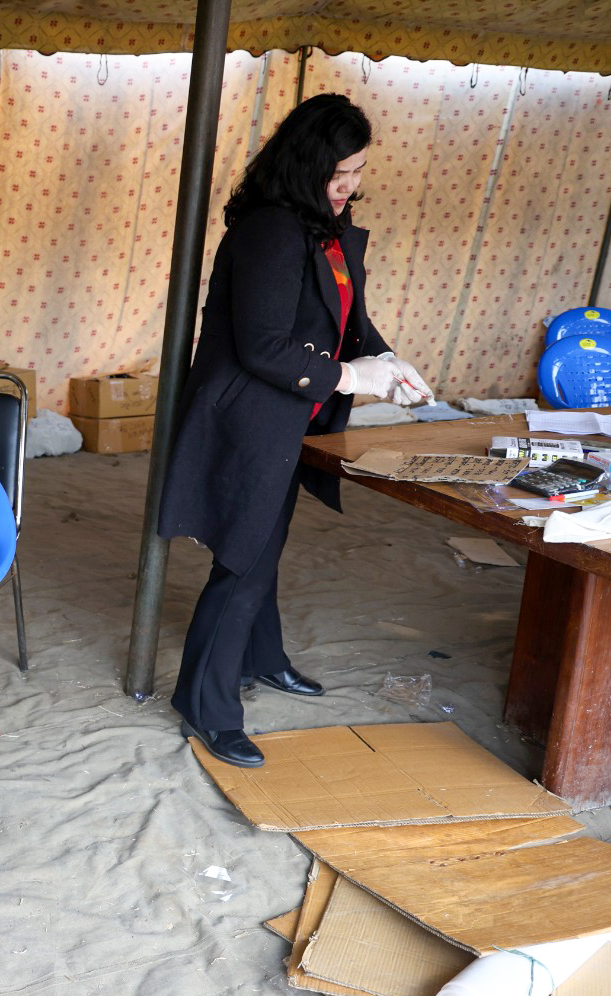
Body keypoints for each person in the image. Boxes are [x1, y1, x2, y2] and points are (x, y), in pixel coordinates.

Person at [157, 94, 434, 770]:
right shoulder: (272, 231)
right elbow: (263, 346)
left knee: (264, 542)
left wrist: (388, 361)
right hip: (248, 417)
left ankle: (262, 656)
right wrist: (351, 378)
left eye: (358, 171)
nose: (349, 185)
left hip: (287, 415)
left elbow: (344, 315)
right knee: (243, 560)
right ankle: (205, 705)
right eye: (338, 173)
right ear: (305, 165)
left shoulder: (324, 223)